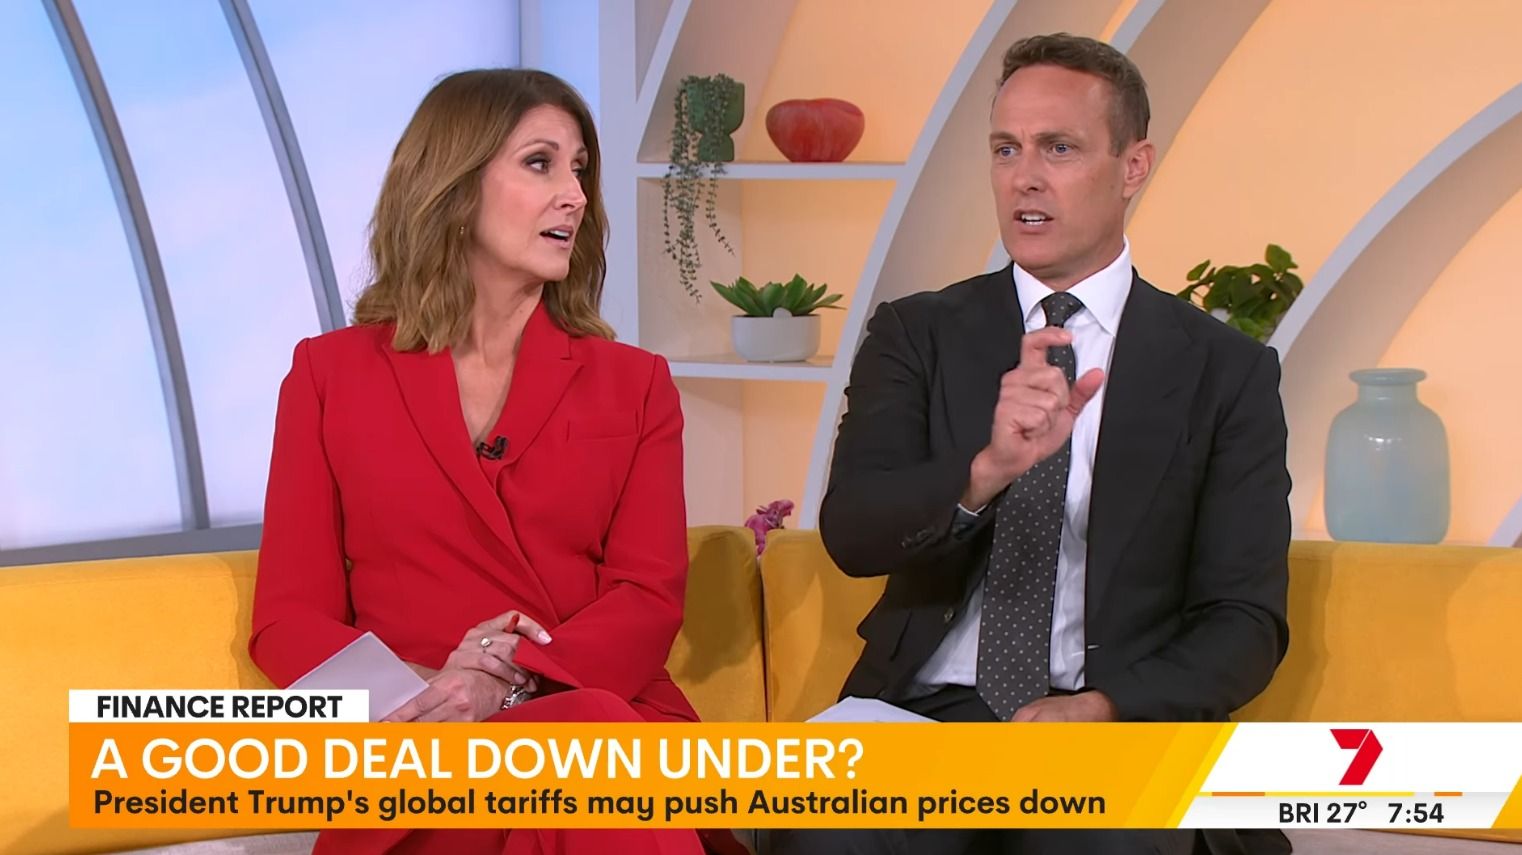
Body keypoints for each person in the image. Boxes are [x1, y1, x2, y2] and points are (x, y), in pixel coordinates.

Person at [776, 34, 1292, 855]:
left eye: (1059, 148)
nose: (1024, 177)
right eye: (1006, 149)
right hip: (928, 716)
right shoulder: (917, 332)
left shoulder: (1224, 370)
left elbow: (1245, 620)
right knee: (832, 829)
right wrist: (986, 471)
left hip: (1112, 722)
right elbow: (853, 532)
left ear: (1133, 165)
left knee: (1096, 839)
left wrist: (1104, 707)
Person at [249, 69, 733, 855]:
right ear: (453, 182)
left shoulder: (635, 384)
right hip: (422, 740)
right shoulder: (329, 376)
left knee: (591, 740)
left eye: (580, 169)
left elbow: (647, 598)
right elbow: (287, 618)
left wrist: (506, 676)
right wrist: (431, 692)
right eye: (541, 163)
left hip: (595, 704)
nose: (575, 195)